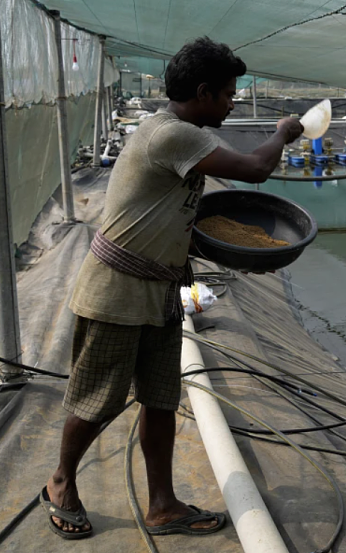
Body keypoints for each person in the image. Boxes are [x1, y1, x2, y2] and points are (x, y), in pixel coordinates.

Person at [40, 36, 304, 539]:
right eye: (227, 94)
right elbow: (257, 169)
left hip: (158, 291)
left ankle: (162, 504)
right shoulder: (172, 134)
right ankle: (59, 483)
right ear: (203, 92)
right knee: (97, 399)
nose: (230, 103)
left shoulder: (178, 136)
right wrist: (281, 132)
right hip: (117, 291)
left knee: (160, 398)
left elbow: (171, 219)